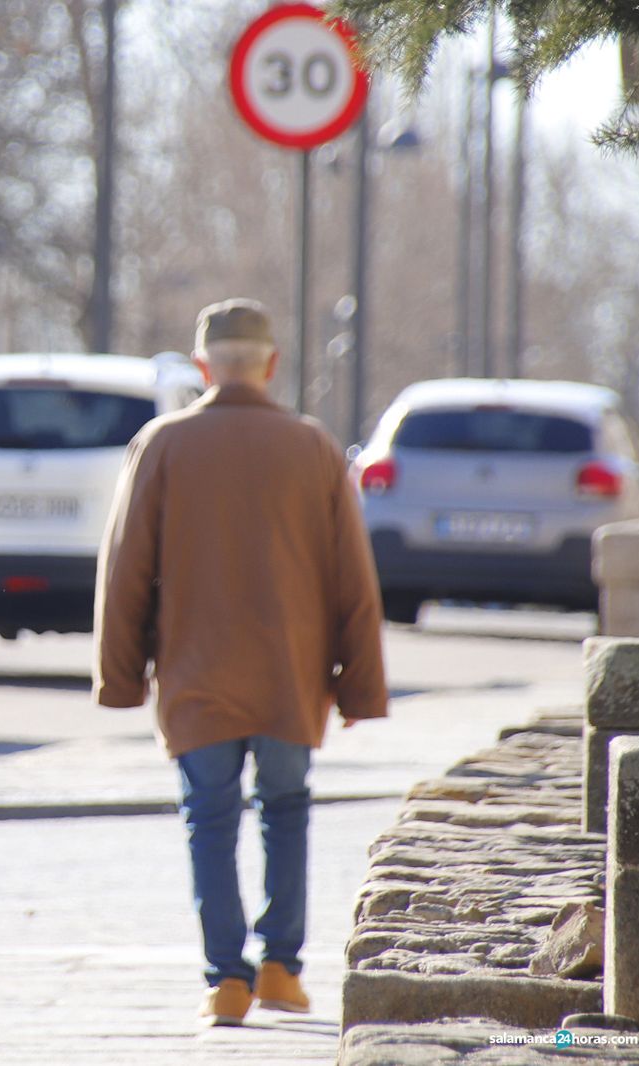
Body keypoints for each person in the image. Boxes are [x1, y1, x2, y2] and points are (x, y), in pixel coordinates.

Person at [92, 298, 387, 1027]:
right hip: (293, 673)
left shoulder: (162, 445)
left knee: (210, 818)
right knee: (286, 810)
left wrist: (122, 677)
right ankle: (283, 967)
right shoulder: (314, 448)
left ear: (201, 367)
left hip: (197, 677)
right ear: (272, 364)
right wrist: (361, 687)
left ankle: (227, 979)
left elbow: (125, 571)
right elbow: (354, 577)